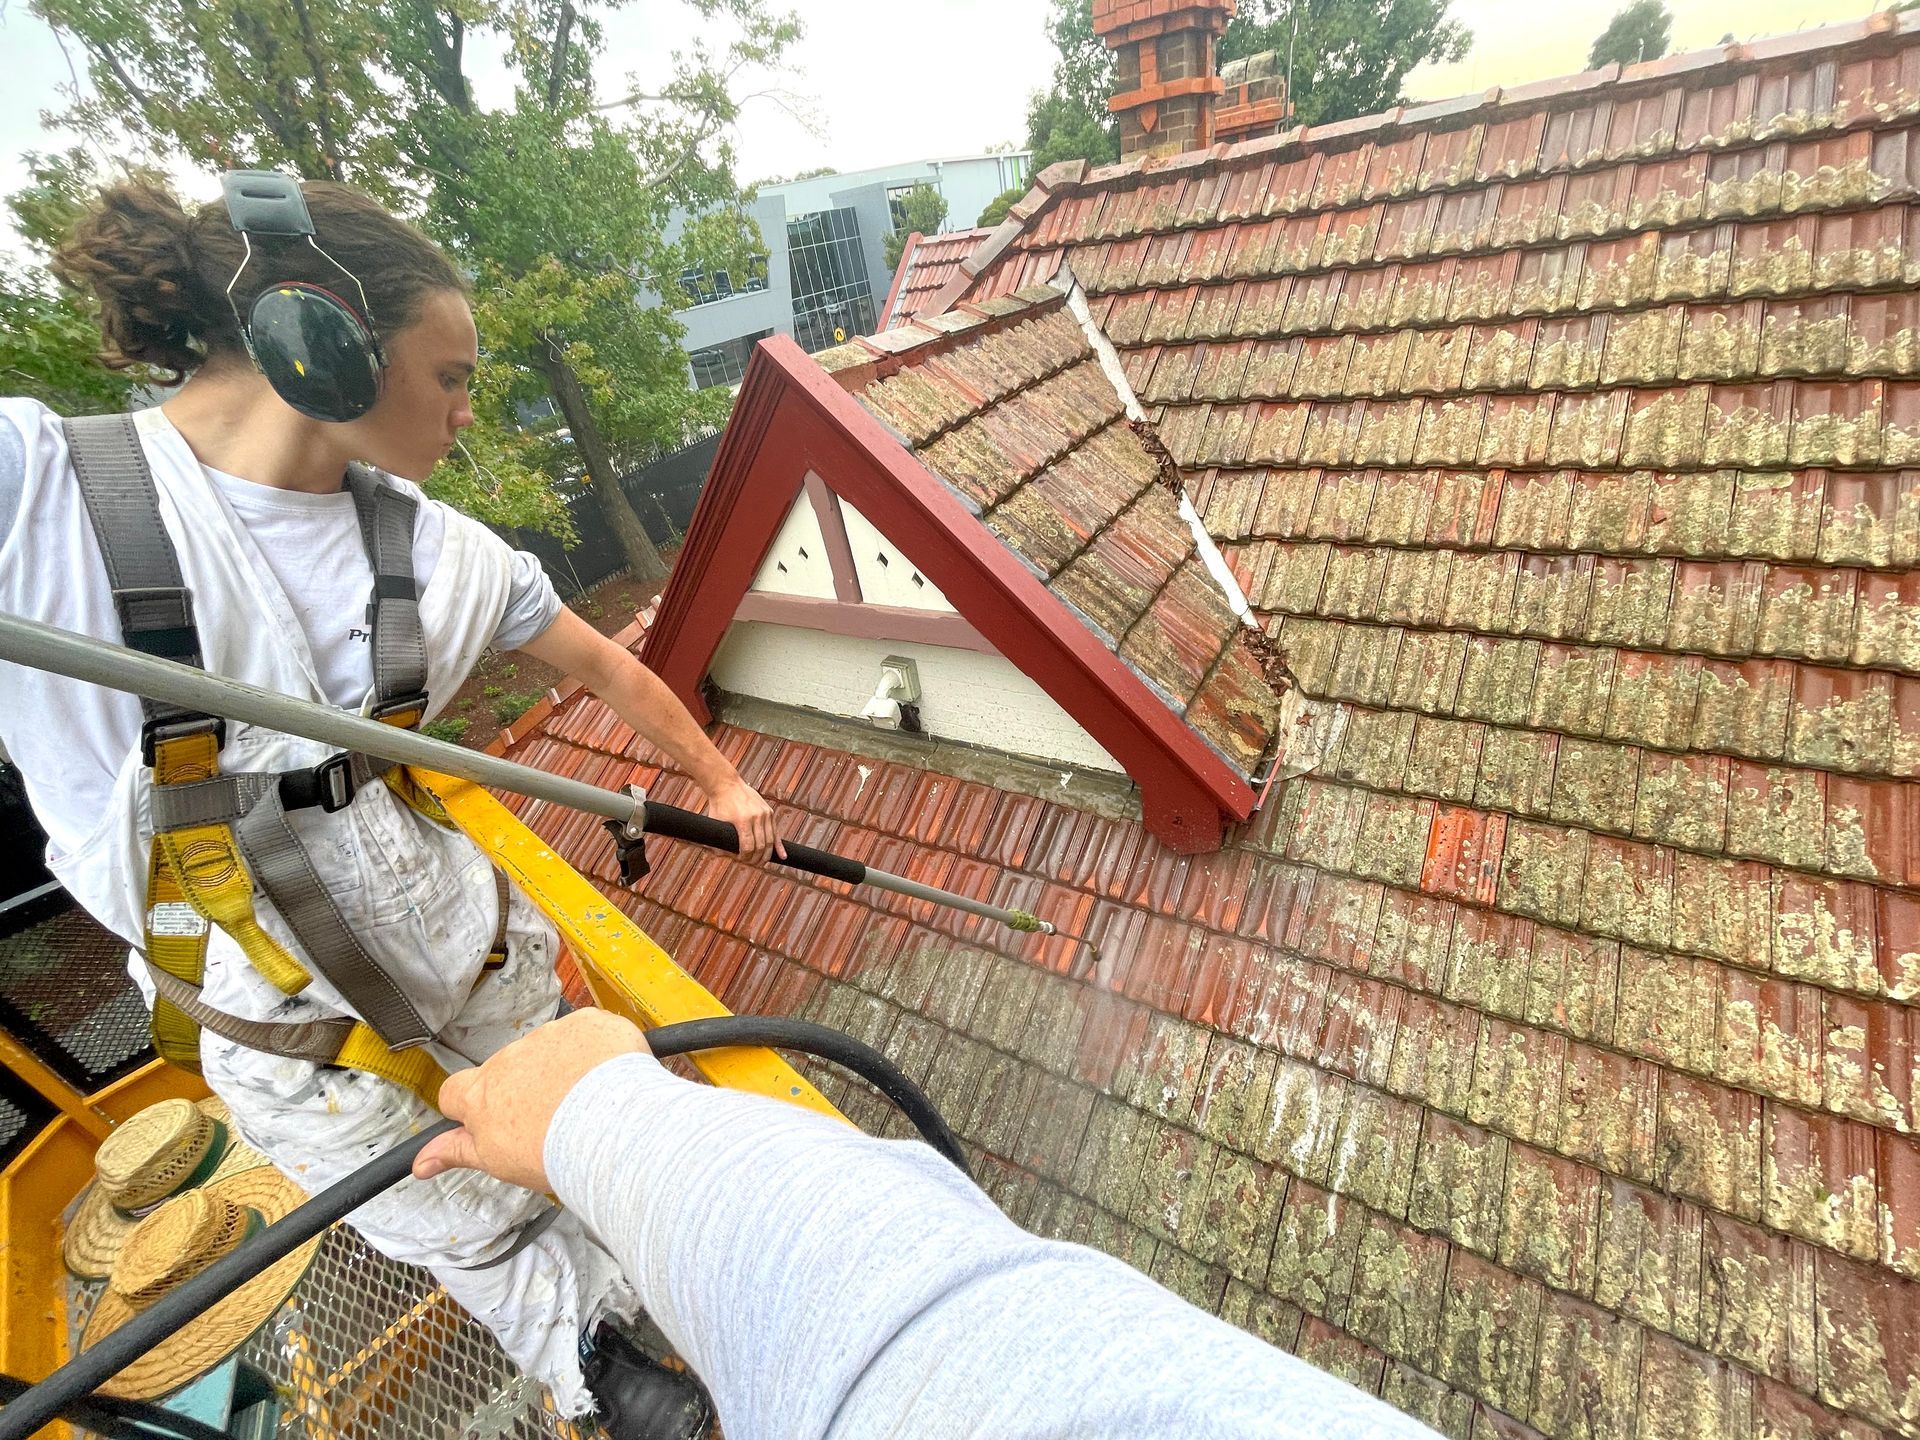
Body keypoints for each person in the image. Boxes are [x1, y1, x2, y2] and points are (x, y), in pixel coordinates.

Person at [0, 174, 780, 1437]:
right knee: (465, 1215)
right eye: (452, 376)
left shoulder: (433, 550)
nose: (468, 412)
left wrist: (724, 782)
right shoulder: (40, 503)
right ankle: (590, 1356)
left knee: (593, 1126)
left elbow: (606, 666)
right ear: (319, 340)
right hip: (311, 1047)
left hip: (479, 962)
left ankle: (678, 1268)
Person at [414, 1009, 1441, 1440]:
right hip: (367, 1083)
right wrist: (602, 1119)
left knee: (503, 1226)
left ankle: (595, 1340)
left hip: (499, 1011)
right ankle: (586, 1348)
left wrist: (607, 1124)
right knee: (465, 1231)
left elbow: (944, 1372)